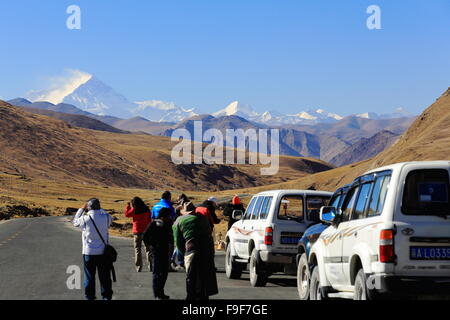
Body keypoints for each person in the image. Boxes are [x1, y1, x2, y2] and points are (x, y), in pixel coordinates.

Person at [172, 208, 218, 300]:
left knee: (191, 276)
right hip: (206, 249)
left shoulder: (179, 220)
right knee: (206, 274)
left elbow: (177, 241)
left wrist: (184, 253)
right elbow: (209, 234)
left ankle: (191, 297)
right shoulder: (203, 218)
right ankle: (204, 296)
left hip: (192, 249)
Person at [73, 198, 113, 300]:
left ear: (88, 207)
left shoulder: (85, 219)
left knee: (89, 277)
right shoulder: (106, 218)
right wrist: (100, 209)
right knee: (104, 277)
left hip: (88, 253)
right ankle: (106, 296)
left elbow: (75, 222)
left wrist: (82, 209)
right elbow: (110, 217)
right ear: (99, 207)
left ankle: (89, 297)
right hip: (103, 253)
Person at [143, 207, 173, 300]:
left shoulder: (168, 224)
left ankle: (161, 292)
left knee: (164, 273)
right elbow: (145, 237)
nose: (169, 217)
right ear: (163, 216)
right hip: (156, 251)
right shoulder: (154, 224)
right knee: (157, 272)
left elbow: (170, 235)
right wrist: (152, 246)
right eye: (168, 216)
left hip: (165, 250)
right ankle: (157, 294)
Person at [124, 197, 152, 272]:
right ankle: (151, 265)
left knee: (137, 249)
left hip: (137, 232)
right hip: (146, 231)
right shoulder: (146, 209)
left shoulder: (134, 210)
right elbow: (149, 220)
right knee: (148, 249)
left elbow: (127, 214)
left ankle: (139, 267)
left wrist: (128, 206)